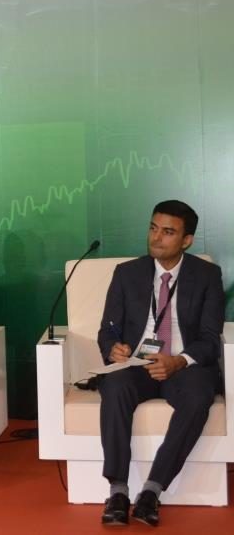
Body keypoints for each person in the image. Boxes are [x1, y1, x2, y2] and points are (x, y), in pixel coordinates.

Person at [97, 200, 223, 527]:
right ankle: (118, 491)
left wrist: (178, 361)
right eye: (153, 228)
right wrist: (113, 349)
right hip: (137, 366)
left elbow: (210, 338)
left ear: (187, 240)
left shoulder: (207, 275)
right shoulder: (127, 273)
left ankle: (152, 491)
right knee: (114, 386)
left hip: (184, 365)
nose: (156, 237)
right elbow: (107, 329)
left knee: (199, 396)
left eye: (168, 232)